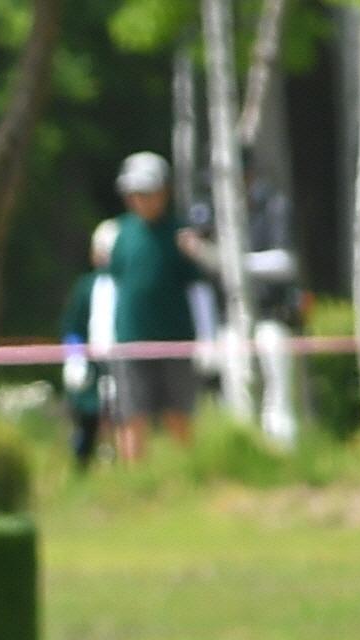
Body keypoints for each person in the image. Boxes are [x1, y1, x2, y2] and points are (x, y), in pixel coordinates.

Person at [104, 153, 212, 461]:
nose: (140, 200)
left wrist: (207, 337)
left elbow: (199, 289)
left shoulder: (180, 234)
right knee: (132, 414)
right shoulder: (120, 233)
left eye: (147, 192)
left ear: (164, 191)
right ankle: (135, 485)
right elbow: (109, 285)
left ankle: (187, 477)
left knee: (178, 412)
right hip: (130, 340)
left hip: (174, 339)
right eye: (134, 193)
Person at [60, 219, 116, 471]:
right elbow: (72, 325)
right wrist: (75, 357)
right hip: (91, 365)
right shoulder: (86, 286)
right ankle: (81, 465)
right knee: (86, 419)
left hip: (122, 363)